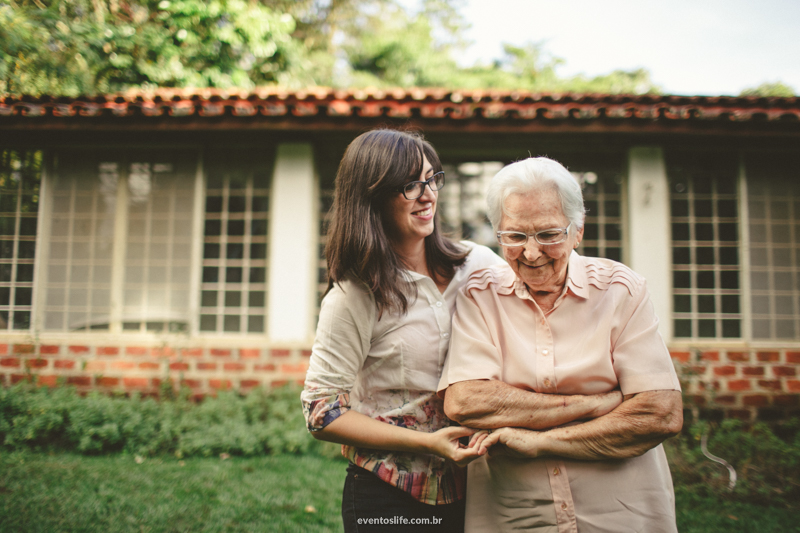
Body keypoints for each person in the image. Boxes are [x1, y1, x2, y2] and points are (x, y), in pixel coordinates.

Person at [439, 157, 684, 533]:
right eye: (515, 237)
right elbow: (466, 401)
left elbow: (659, 414)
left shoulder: (621, 291)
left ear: (577, 231)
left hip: (622, 511)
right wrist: (595, 404)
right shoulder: (480, 295)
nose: (532, 253)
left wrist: (540, 442)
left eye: (548, 235)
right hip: (515, 513)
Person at [301, 129, 503, 532]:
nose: (427, 195)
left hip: (483, 488)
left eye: (431, 179)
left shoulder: (478, 266)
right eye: (410, 185)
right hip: (388, 496)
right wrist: (428, 443)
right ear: (372, 197)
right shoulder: (354, 296)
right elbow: (322, 412)